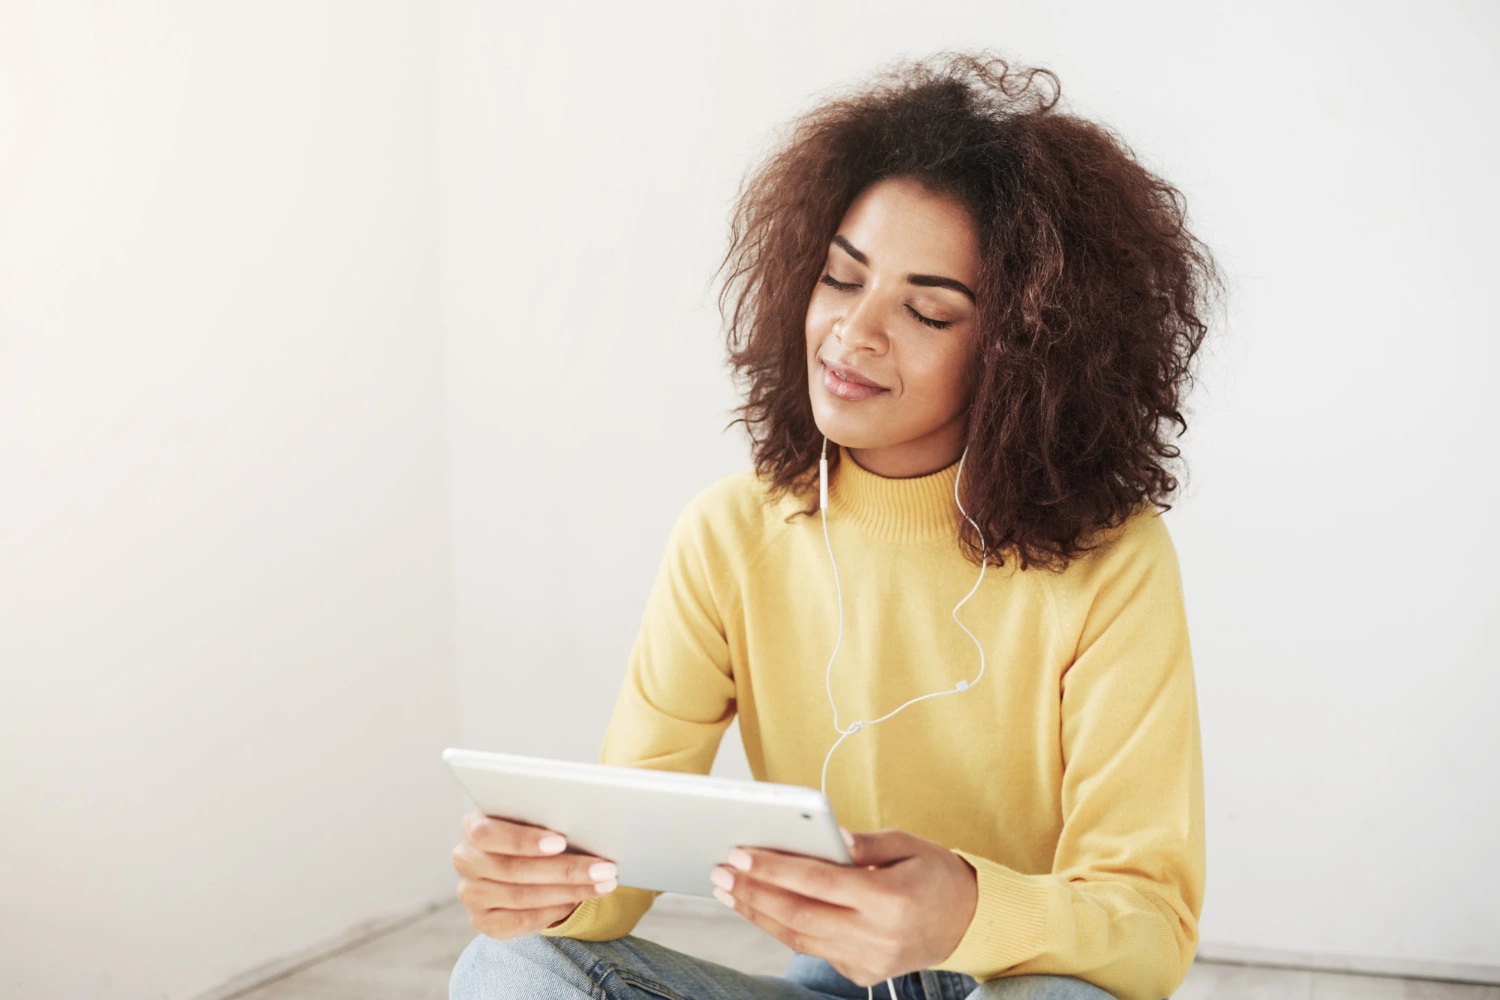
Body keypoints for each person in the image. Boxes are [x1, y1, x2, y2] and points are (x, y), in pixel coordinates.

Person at [449, 48, 1221, 1000]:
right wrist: (547, 887)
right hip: (837, 987)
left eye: (928, 311)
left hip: (1018, 980)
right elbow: (619, 878)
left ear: (1023, 353)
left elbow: (1149, 931)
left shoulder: (1116, 562)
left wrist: (965, 910)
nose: (855, 333)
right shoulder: (730, 536)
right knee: (509, 968)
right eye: (841, 278)